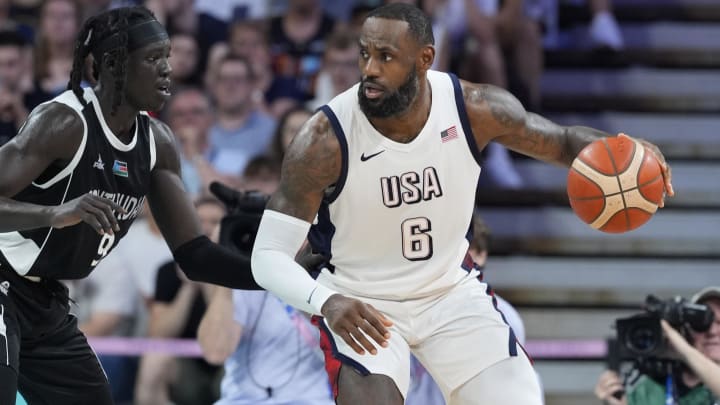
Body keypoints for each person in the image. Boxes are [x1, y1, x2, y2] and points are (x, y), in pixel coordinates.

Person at [250, 3, 674, 404]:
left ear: (424, 58)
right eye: (365, 55)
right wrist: (327, 301)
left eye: (386, 56)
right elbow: (267, 257)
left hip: (449, 291)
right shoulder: (324, 138)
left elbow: (563, 142)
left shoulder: (474, 108)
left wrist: (628, 152)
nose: (370, 70)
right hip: (360, 300)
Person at [0, 7, 266, 405]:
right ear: (112, 64)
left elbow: (194, 255)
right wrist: (54, 213)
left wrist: (276, 274)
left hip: (45, 299)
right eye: (153, 58)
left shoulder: (157, 143)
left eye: (168, 57)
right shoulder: (63, 122)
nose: (166, 69)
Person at [594, 287, 720, 405]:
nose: (713, 331)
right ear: (687, 329)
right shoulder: (646, 388)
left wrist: (682, 348)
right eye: (702, 324)